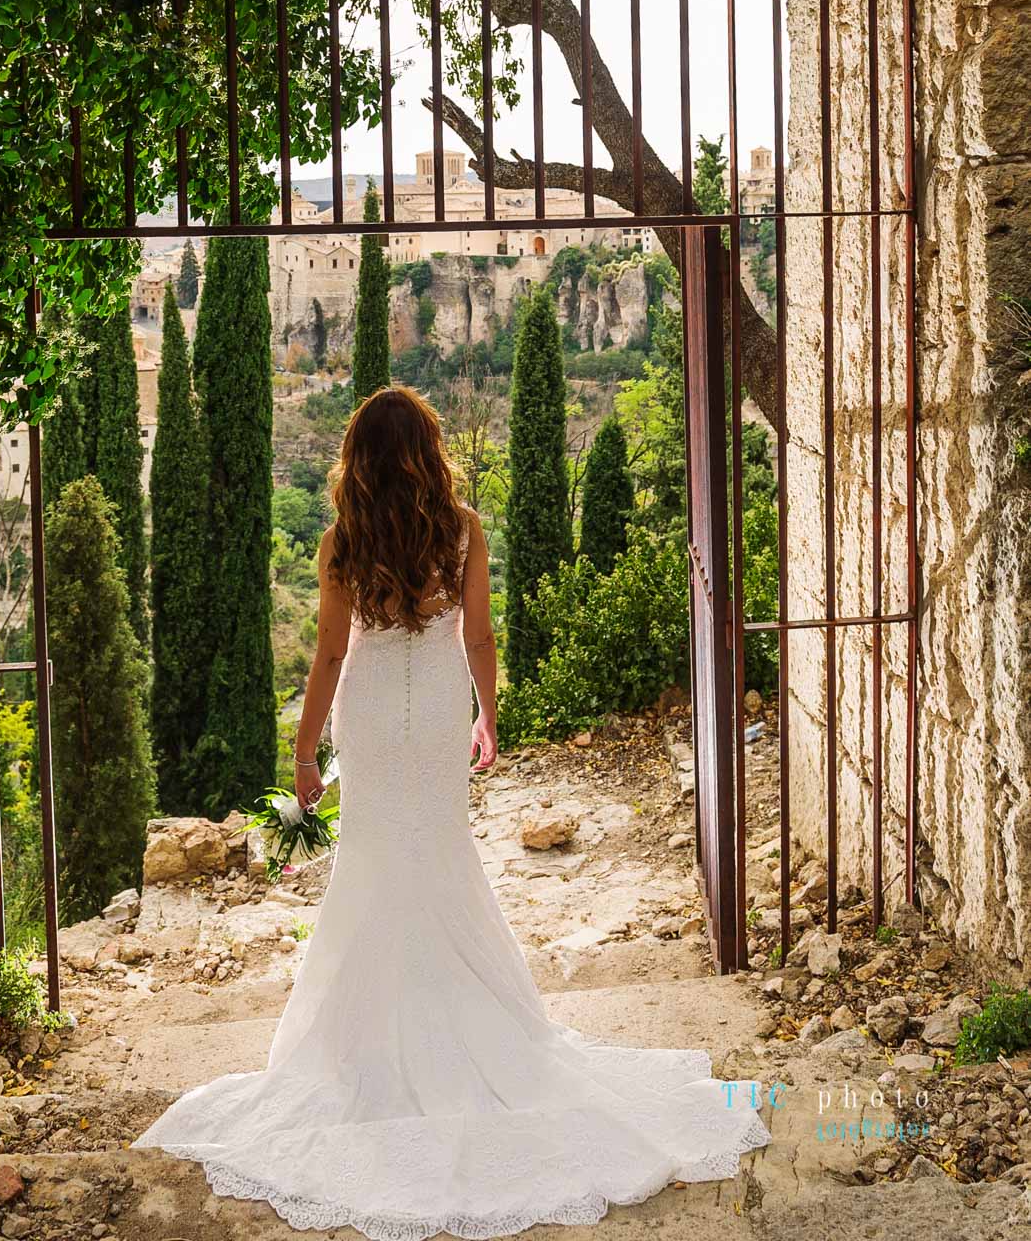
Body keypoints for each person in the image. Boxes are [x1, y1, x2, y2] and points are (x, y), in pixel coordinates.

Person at [135, 385, 769, 1237]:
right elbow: (478, 636)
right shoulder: (461, 528)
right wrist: (486, 715)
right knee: (440, 850)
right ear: (428, 451)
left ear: (355, 457)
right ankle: (468, 1018)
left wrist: (303, 751)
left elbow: (328, 652)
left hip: (368, 713)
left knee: (369, 861)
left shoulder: (342, 540)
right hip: (434, 705)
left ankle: (361, 1040)